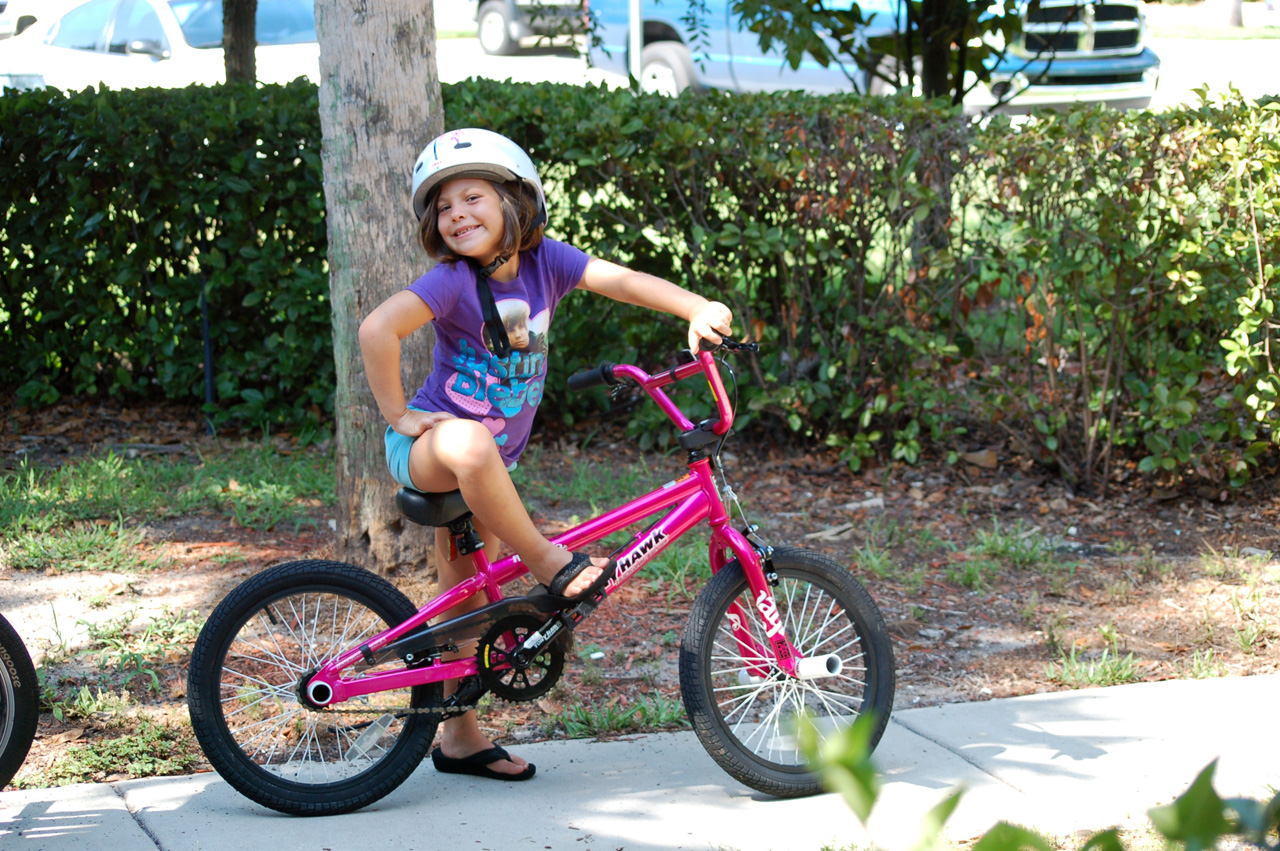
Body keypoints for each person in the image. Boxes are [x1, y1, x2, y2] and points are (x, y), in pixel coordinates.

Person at [358, 128, 734, 782]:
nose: (457, 214)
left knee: (465, 600)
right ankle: (549, 559)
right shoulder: (451, 282)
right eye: (443, 207)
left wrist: (696, 306)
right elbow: (376, 329)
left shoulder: (547, 264)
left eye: (472, 197)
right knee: (472, 442)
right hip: (433, 449)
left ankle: (460, 737)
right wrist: (398, 415)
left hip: (486, 472)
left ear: (515, 202)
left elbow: (621, 280)